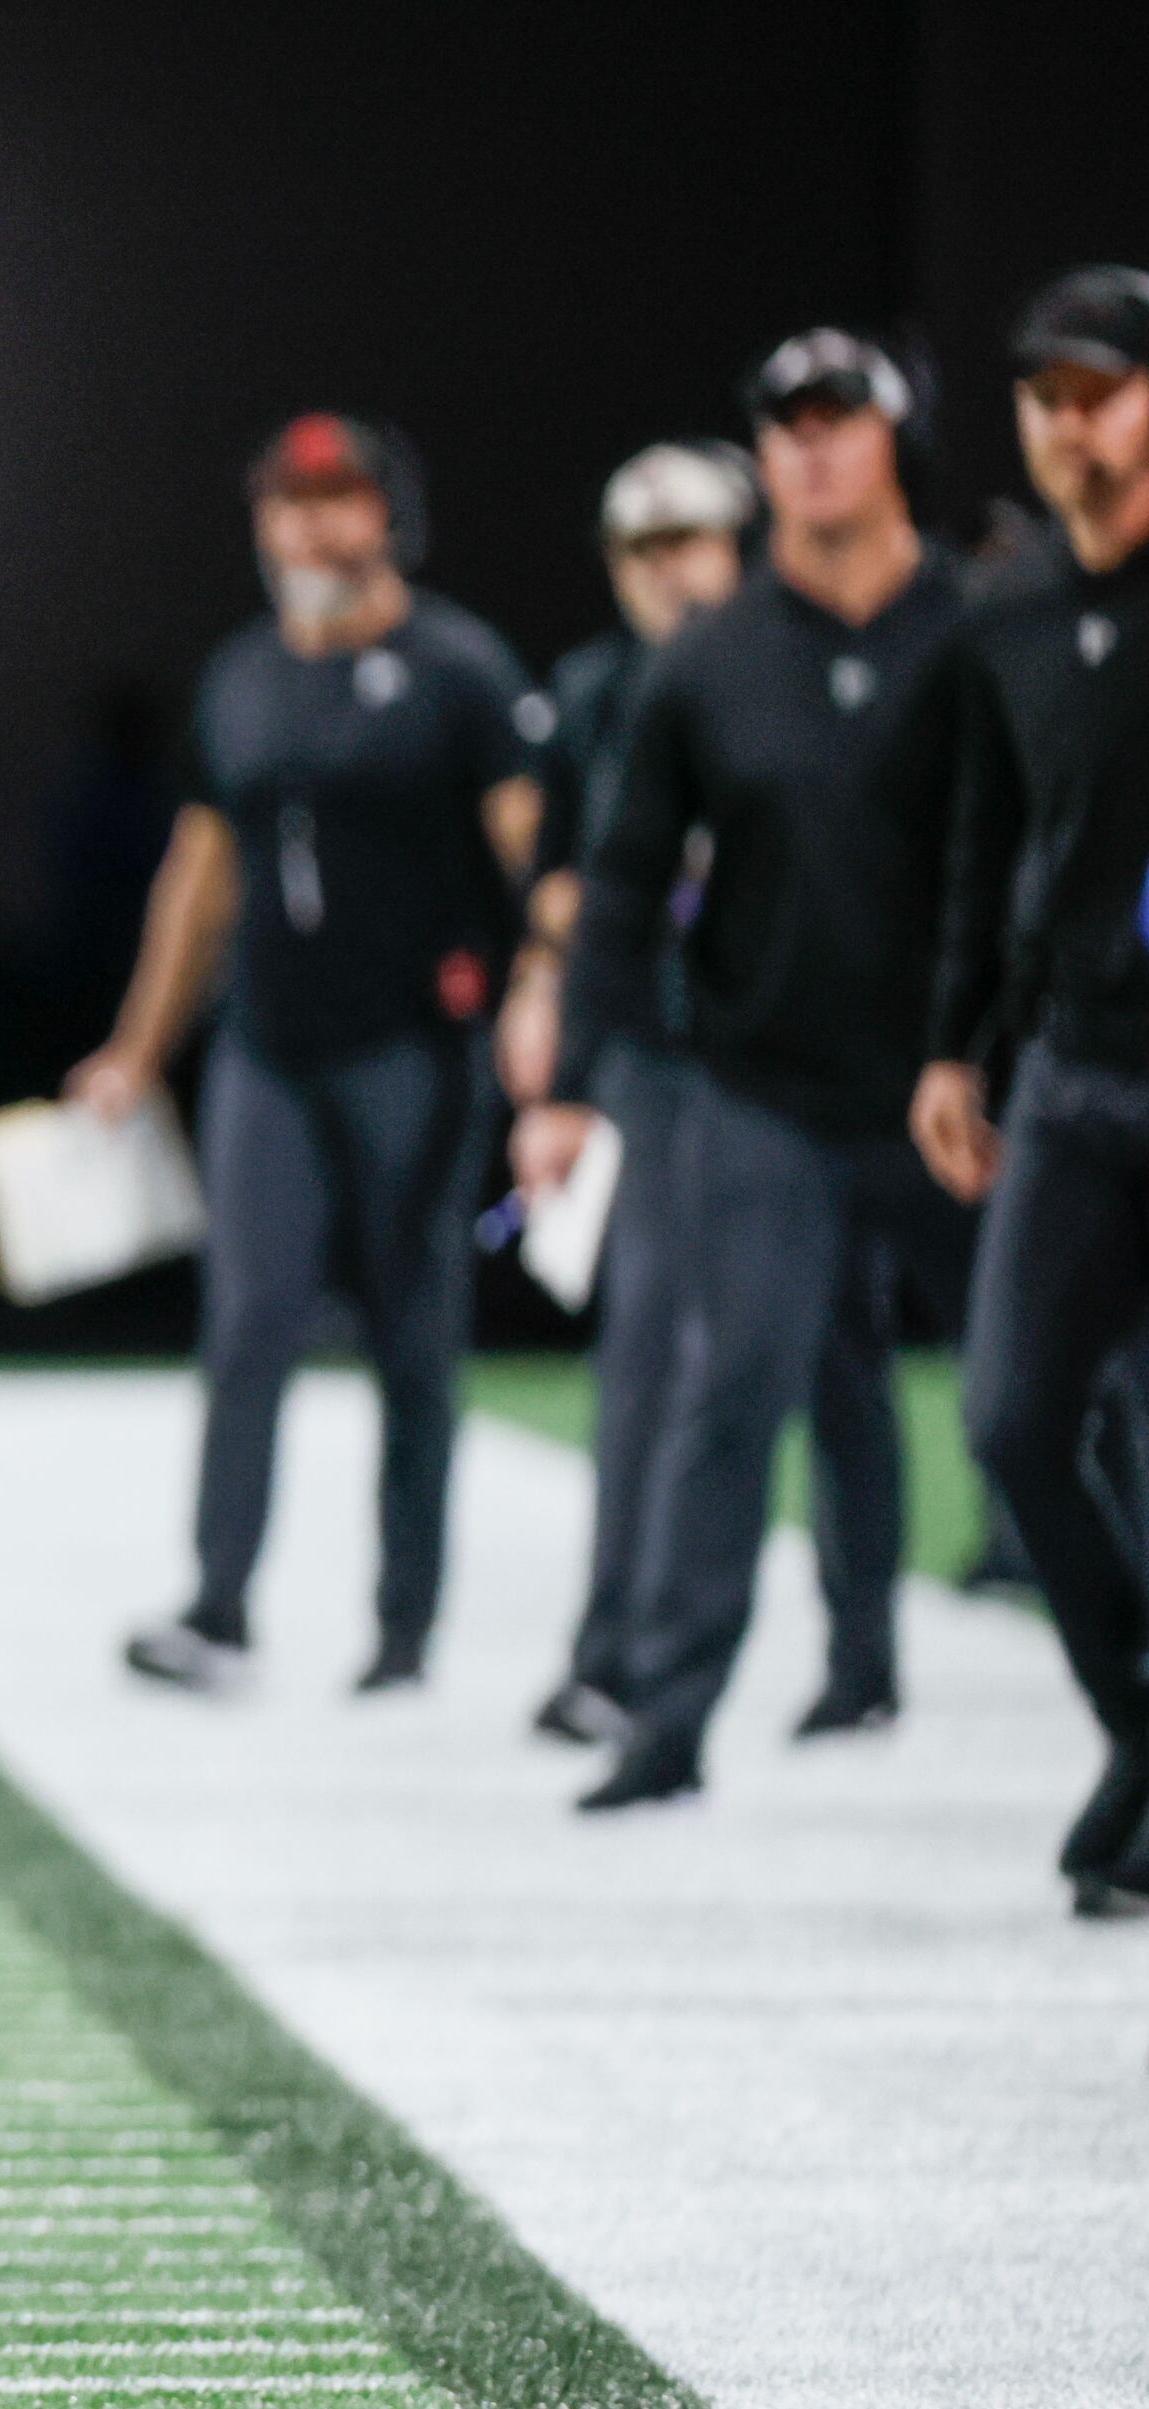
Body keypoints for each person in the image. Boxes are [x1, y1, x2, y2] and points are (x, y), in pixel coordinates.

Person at [522, 329, 973, 1813]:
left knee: (1065, 1398)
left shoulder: (983, 628)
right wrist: (572, 1084)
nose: (812, 448)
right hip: (762, 1090)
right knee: (733, 1397)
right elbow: (626, 885)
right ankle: (668, 1717)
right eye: (787, 426)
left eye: (840, 422)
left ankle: (949, 1670)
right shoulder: (705, 665)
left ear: (892, 439)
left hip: (955, 1087)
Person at [70, 415, 542, 1695]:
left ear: (388, 515)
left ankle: (405, 1628)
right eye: (290, 504)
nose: (313, 528)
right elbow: (200, 874)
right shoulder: (241, 676)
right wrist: (135, 1046)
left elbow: (530, 853)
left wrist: (547, 992)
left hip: (413, 1049)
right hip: (267, 1049)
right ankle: (219, 1609)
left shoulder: (458, 668)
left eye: (338, 501)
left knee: (413, 1336)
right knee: (251, 1322)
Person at [915, 266, 1149, 1905]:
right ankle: (1139, 1729)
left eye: (1102, 390)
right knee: (1010, 1421)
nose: (1072, 424)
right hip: (1073, 1075)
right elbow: (983, 848)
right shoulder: (1003, 612)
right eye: (1046, 397)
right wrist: (953, 1046)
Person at [495, 443, 758, 1743]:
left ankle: (866, 1660)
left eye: (693, 539)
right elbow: (560, 883)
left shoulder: (790, 666)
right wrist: (555, 1013)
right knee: (654, 1357)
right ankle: (623, 1657)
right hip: (664, 1051)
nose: (670, 568)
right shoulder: (601, 690)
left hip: (810, 1063)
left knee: (853, 1366)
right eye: (645, 548)